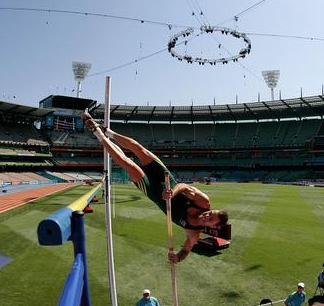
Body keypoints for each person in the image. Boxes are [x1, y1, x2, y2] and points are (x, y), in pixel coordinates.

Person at [82, 111, 228, 264]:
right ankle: (108, 132)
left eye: (210, 219)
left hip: (153, 192)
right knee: (139, 149)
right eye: (210, 213)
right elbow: (184, 186)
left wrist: (177, 257)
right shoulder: (204, 202)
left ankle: (97, 132)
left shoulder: (193, 233)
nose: (206, 216)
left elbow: (186, 249)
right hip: (166, 180)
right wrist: (172, 192)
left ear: (214, 226)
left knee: (127, 163)